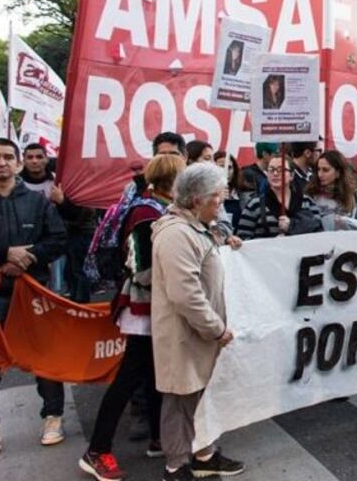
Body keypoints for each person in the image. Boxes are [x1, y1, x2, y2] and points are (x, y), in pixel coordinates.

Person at [78, 153, 186, 481]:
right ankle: (96, 450)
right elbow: (140, 268)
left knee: (154, 374)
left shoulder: (161, 208)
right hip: (144, 306)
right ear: (173, 180)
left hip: (156, 305)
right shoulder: (145, 212)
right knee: (129, 378)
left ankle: (157, 437)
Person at [151, 163, 244, 481]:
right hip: (186, 333)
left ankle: (204, 454)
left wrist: (223, 245)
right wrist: (215, 328)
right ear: (196, 201)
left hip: (198, 333)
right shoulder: (177, 234)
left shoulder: (194, 229)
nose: (221, 204)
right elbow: (185, 293)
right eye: (216, 199)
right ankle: (176, 465)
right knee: (180, 397)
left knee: (199, 396)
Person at [0, 138, 67, 458]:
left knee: (45, 356)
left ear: (17, 163)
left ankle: (53, 416)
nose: (2, 163)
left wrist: (28, 258)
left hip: (33, 290)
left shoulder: (36, 201)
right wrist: (3, 255)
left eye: (7, 157)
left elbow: (57, 240)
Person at [21, 143, 97, 302]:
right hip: (29, 239)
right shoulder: (17, 184)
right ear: (24, 160)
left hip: (62, 237)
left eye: (39, 157)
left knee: (67, 277)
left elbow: (80, 212)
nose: (35, 161)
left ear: (46, 159)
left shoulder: (60, 181)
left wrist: (62, 202)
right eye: (30, 157)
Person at [237, 156, 321, 239]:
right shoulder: (255, 204)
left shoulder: (306, 201)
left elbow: (318, 233)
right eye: (271, 170)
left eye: (281, 170)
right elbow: (243, 238)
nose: (275, 173)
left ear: (292, 175)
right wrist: (272, 244)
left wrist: (292, 225)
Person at [305, 150, 357, 231]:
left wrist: (344, 222)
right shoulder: (311, 194)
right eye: (318, 169)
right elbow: (305, 226)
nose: (320, 174)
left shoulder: (354, 194)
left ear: (338, 173)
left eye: (325, 170)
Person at [214, 151, 246, 231]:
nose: (226, 171)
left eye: (229, 167)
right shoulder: (207, 194)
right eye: (221, 167)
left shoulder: (243, 194)